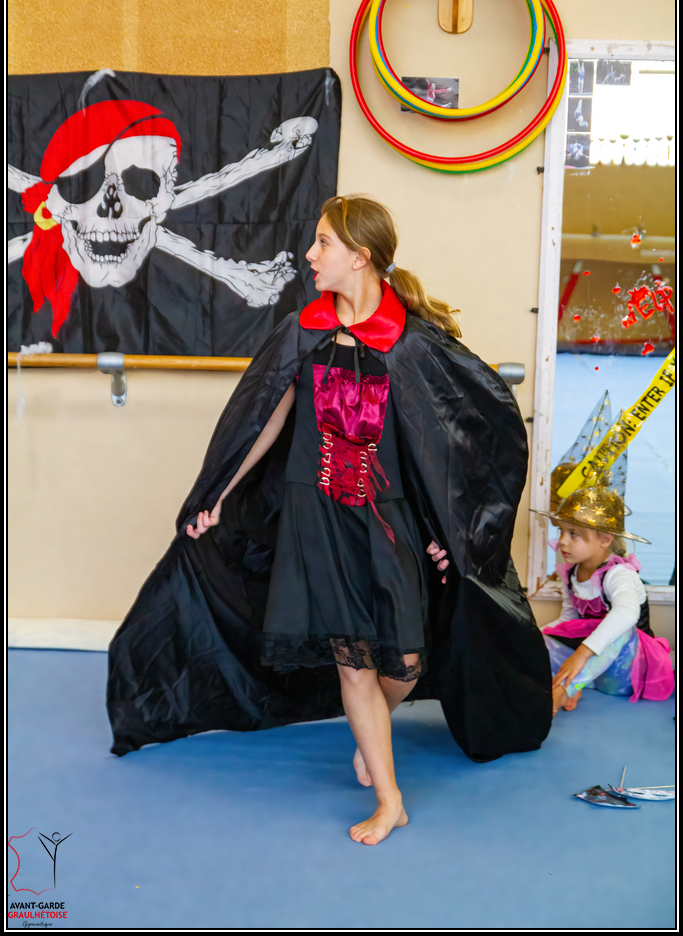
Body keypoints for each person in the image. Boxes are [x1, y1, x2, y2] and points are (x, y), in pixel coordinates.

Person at [107, 194, 552, 845]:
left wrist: (453, 530)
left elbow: (458, 439)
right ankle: (390, 799)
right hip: (317, 518)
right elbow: (264, 417)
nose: (310, 254)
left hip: (388, 520)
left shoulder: (409, 342)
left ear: (360, 256)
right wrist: (219, 493)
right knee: (353, 663)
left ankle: (372, 737)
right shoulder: (304, 331)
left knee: (403, 661)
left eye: (323, 243)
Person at [533, 486, 674, 716]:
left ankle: (566, 689)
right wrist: (533, 638)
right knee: (536, 640)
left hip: (625, 674)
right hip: (593, 674)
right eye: (561, 531)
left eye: (573, 534)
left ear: (605, 539)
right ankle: (572, 684)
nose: (562, 542)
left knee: (621, 628)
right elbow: (567, 622)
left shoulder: (619, 573)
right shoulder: (570, 574)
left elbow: (627, 613)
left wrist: (581, 653)